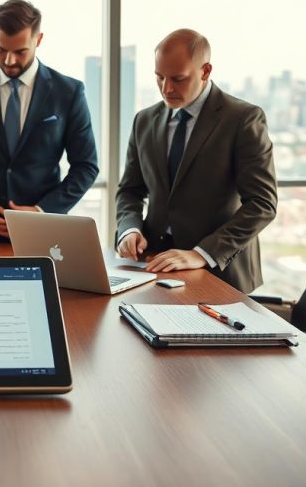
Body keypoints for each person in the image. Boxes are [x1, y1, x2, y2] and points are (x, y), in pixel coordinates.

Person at [115, 28, 277, 293]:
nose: (166, 89)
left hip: (220, 272)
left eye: (178, 79)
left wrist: (201, 253)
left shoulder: (243, 119)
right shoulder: (144, 120)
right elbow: (130, 190)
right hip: (152, 266)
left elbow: (262, 204)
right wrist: (128, 229)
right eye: (159, 78)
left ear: (205, 71)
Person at [0, 0, 98, 242]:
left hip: (43, 235)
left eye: (20, 51)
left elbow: (86, 166)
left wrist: (43, 211)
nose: (9, 60)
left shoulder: (68, 92)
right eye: (0, 50)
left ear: (38, 40)